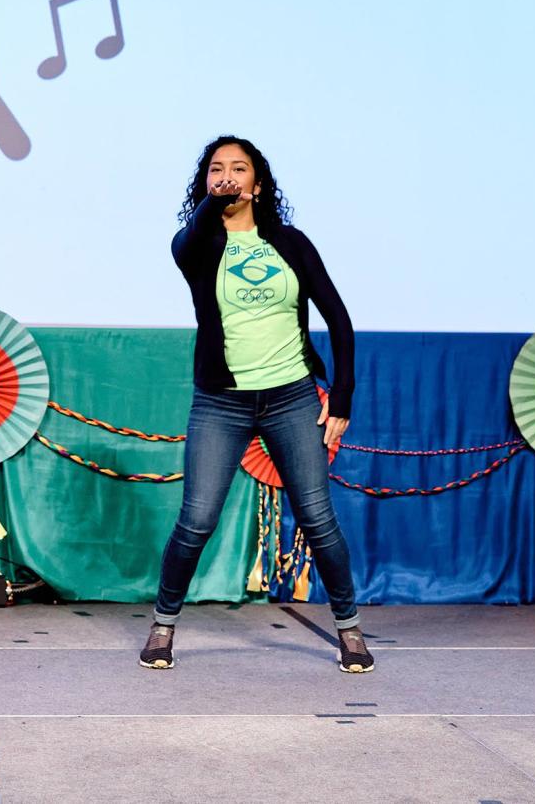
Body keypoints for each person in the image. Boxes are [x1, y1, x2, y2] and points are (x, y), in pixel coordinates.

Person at [141, 135, 370, 673]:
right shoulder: (194, 245)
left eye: (239, 169)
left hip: (291, 397)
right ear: (205, 186)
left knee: (317, 518)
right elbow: (195, 231)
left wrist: (341, 399)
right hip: (221, 403)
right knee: (197, 519)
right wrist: (212, 204)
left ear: (259, 184)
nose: (228, 177)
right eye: (216, 170)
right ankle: (163, 624)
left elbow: (339, 318)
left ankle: (350, 629)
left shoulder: (291, 243)